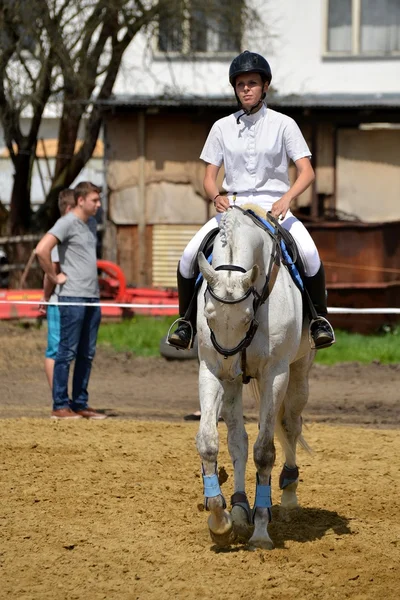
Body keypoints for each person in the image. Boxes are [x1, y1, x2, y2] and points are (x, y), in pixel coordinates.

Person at [168, 50, 335, 351]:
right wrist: (216, 195)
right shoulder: (221, 127)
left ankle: (319, 321)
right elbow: (208, 177)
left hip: (274, 205)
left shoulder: (284, 124)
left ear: (265, 86)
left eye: (253, 83)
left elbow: (307, 172)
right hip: (233, 207)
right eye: (241, 83)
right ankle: (186, 323)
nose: (246, 88)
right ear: (235, 88)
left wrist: (287, 198)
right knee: (188, 256)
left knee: (309, 253)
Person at [36, 181, 106, 420]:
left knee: (86, 354)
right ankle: (59, 405)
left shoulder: (92, 223)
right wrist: (54, 277)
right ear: (80, 201)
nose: (98, 204)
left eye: (98, 200)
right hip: (72, 297)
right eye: (94, 200)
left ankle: (80, 403)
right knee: (66, 353)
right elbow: (41, 250)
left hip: (91, 298)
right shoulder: (66, 222)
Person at [40, 189, 75, 389]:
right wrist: (45, 298)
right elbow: (51, 270)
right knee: (55, 350)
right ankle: (58, 397)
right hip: (58, 302)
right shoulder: (59, 232)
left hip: (71, 300)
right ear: (70, 208)